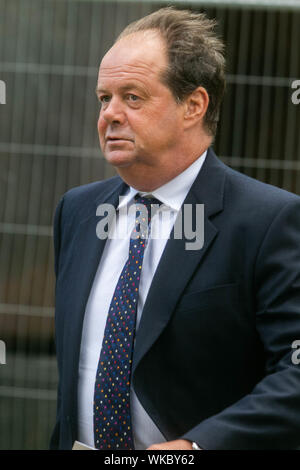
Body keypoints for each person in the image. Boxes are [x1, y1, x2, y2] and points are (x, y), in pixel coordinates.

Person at [50, 7, 300, 450]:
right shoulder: (78, 211)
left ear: (194, 105)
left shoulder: (269, 221)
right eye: (104, 98)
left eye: (133, 97)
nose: (110, 114)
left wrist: (193, 448)